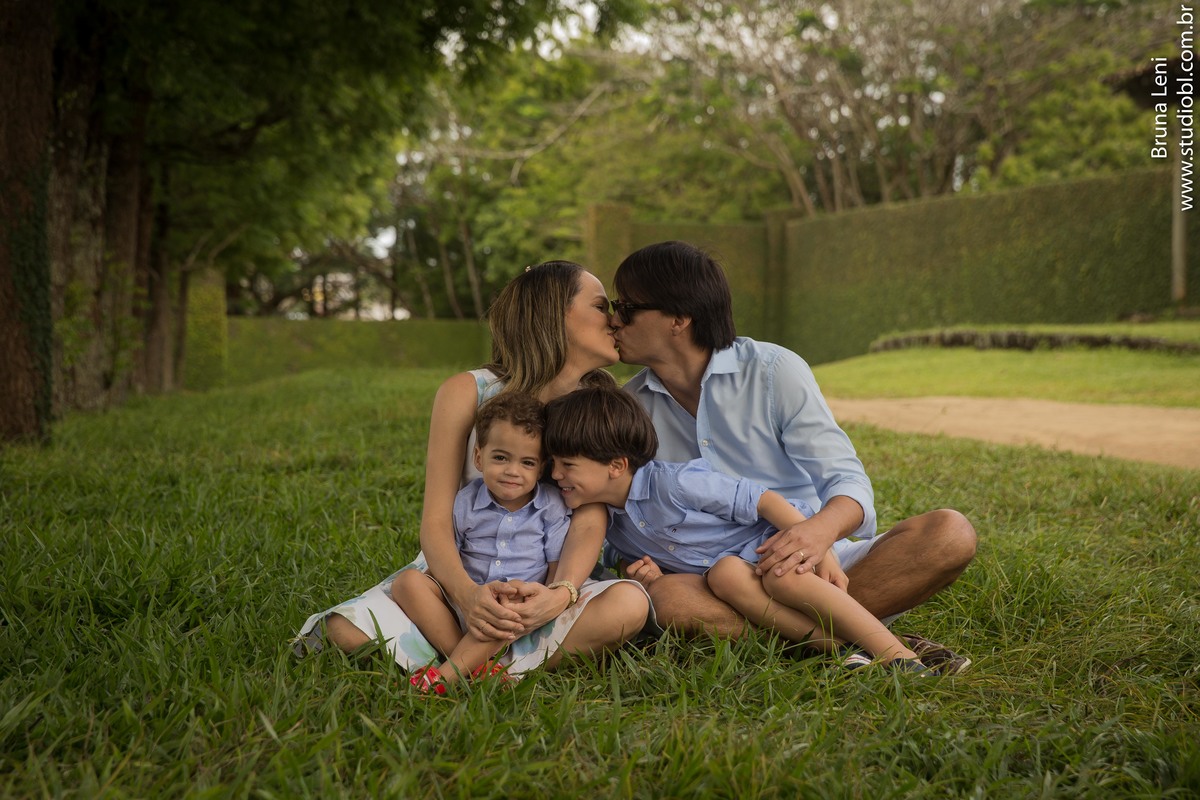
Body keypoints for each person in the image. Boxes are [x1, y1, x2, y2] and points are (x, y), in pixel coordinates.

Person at [608, 240, 977, 672]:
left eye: (626, 308)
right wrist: (630, 565)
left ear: (678, 319)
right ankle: (866, 644)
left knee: (950, 534)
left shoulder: (772, 370)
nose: (613, 321)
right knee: (668, 599)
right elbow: (622, 511)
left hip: (816, 564)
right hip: (714, 582)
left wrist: (817, 534)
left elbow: (846, 481)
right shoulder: (627, 409)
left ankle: (819, 641)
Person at [294, 261, 650, 680]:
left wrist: (560, 594)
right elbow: (437, 517)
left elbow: (590, 512)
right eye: (599, 305)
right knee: (343, 632)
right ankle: (484, 663)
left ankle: (463, 667)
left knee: (630, 605)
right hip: (459, 580)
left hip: (550, 581)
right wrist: (468, 597)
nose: (613, 318)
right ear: (554, 314)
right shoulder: (467, 392)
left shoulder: (601, 399)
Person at [545, 388, 929, 672]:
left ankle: (899, 656)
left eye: (567, 465)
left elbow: (763, 500)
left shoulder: (674, 483)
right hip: (734, 576)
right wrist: (647, 574)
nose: (556, 475)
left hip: (775, 548)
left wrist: (819, 549)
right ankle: (843, 648)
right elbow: (642, 567)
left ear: (615, 466)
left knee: (780, 578)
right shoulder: (613, 527)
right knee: (726, 572)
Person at [392, 393, 575, 692]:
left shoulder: (551, 506)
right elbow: (448, 553)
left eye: (527, 462)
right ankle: (480, 668)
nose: (512, 471)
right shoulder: (465, 501)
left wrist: (544, 600)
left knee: (507, 606)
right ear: (479, 457)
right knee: (407, 583)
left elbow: (556, 564)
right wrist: (453, 591)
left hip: (517, 609)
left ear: (541, 468)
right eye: (500, 457)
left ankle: (444, 678)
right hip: (466, 600)